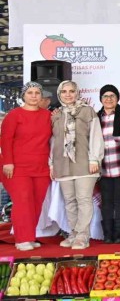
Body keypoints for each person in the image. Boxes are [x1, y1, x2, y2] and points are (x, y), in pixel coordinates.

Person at [50, 81, 105, 250]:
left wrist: (95, 159)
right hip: (62, 164)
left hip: (84, 163)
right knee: (69, 201)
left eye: (71, 91)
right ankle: (73, 233)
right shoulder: (56, 114)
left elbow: (96, 136)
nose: (68, 94)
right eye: (64, 91)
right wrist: (51, 163)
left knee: (84, 199)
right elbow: (53, 141)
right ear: (59, 94)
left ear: (77, 92)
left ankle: (82, 235)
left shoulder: (87, 111)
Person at [0, 82, 52, 251]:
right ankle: (22, 239)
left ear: (41, 96)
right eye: (30, 92)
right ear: (23, 95)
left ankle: (29, 237)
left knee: (36, 203)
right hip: (16, 167)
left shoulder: (48, 115)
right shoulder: (14, 115)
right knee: (23, 201)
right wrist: (8, 162)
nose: (34, 96)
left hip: (41, 167)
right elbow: (5, 139)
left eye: (37, 93)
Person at [97, 84, 120, 244]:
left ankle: (119, 235)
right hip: (102, 169)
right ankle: (108, 235)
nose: (108, 99)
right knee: (106, 202)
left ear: (117, 98)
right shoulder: (95, 118)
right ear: (100, 99)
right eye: (105, 96)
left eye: (112, 96)